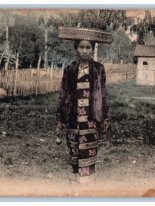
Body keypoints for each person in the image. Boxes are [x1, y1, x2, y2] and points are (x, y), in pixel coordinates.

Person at [56, 27, 112, 184]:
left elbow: (103, 93)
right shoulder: (70, 69)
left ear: (92, 49)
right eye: (81, 47)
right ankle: (74, 183)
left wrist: (106, 117)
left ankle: (88, 184)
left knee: (89, 150)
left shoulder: (98, 69)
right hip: (73, 117)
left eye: (88, 47)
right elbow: (63, 94)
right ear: (76, 49)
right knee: (74, 150)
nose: (85, 51)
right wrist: (60, 118)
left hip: (92, 117)